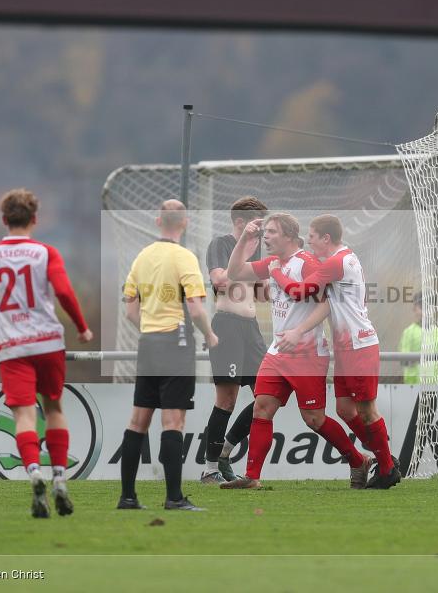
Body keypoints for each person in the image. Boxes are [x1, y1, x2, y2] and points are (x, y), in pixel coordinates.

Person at [0, 188, 93, 518]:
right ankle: (60, 478)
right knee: (53, 408)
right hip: (48, 342)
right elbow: (63, 291)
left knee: (23, 415)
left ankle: (34, 472)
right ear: (35, 219)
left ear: (4, 220)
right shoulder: (45, 252)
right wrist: (81, 327)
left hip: (11, 346)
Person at [220, 213, 370, 490]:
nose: (266, 237)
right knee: (261, 409)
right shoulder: (275, 263)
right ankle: (252, 477)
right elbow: (234, 273)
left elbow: (327, 304)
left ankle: (358, 460)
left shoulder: (306, 263)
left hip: (307, 355)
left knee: (314, 419)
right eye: (265, 232)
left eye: (272, 232)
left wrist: (299, 331)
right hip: (278, 353)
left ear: (289, 235)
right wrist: (244, 238)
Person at [267, 214, 400, 489]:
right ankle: (385, 458)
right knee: (344, 408)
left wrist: (275, 273)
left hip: (359, 345)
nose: (309, 242)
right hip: (345, 346)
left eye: (313, 237)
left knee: (367, 410)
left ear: (326, 238)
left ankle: (387, 468)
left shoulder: (336, 263)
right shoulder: (344, 258)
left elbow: (298, 290)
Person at [118, 200, 219, 511]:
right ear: (185, 223)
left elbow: (130, 309)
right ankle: (174, 497)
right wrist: (210, 335)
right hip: (176, 343)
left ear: (158, 221)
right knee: (173, 420)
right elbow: (196, 308)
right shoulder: (184, 258)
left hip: (148, 343)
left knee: (138, 420)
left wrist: (149, 326)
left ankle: (128, 497)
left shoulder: (142, 257)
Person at [201, 196, 269, 484]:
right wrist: (251, 273)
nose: (259, 232)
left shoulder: (259, 250)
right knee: (226, 400)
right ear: (239, 222)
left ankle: (226, 452)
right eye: (255, 225)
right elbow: (220, 281)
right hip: (227, 326)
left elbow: (264, 293)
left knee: (267, 396)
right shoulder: (221, 244)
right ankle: (209, 469)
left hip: (251, 328)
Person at [399, 295, 438, 385]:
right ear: (415, 310)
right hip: (413, 384)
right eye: (421, 308)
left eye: (428, 308)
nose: (425, 312)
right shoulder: (409, 332)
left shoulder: (436, 330)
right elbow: (404, 360)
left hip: (433, 382)